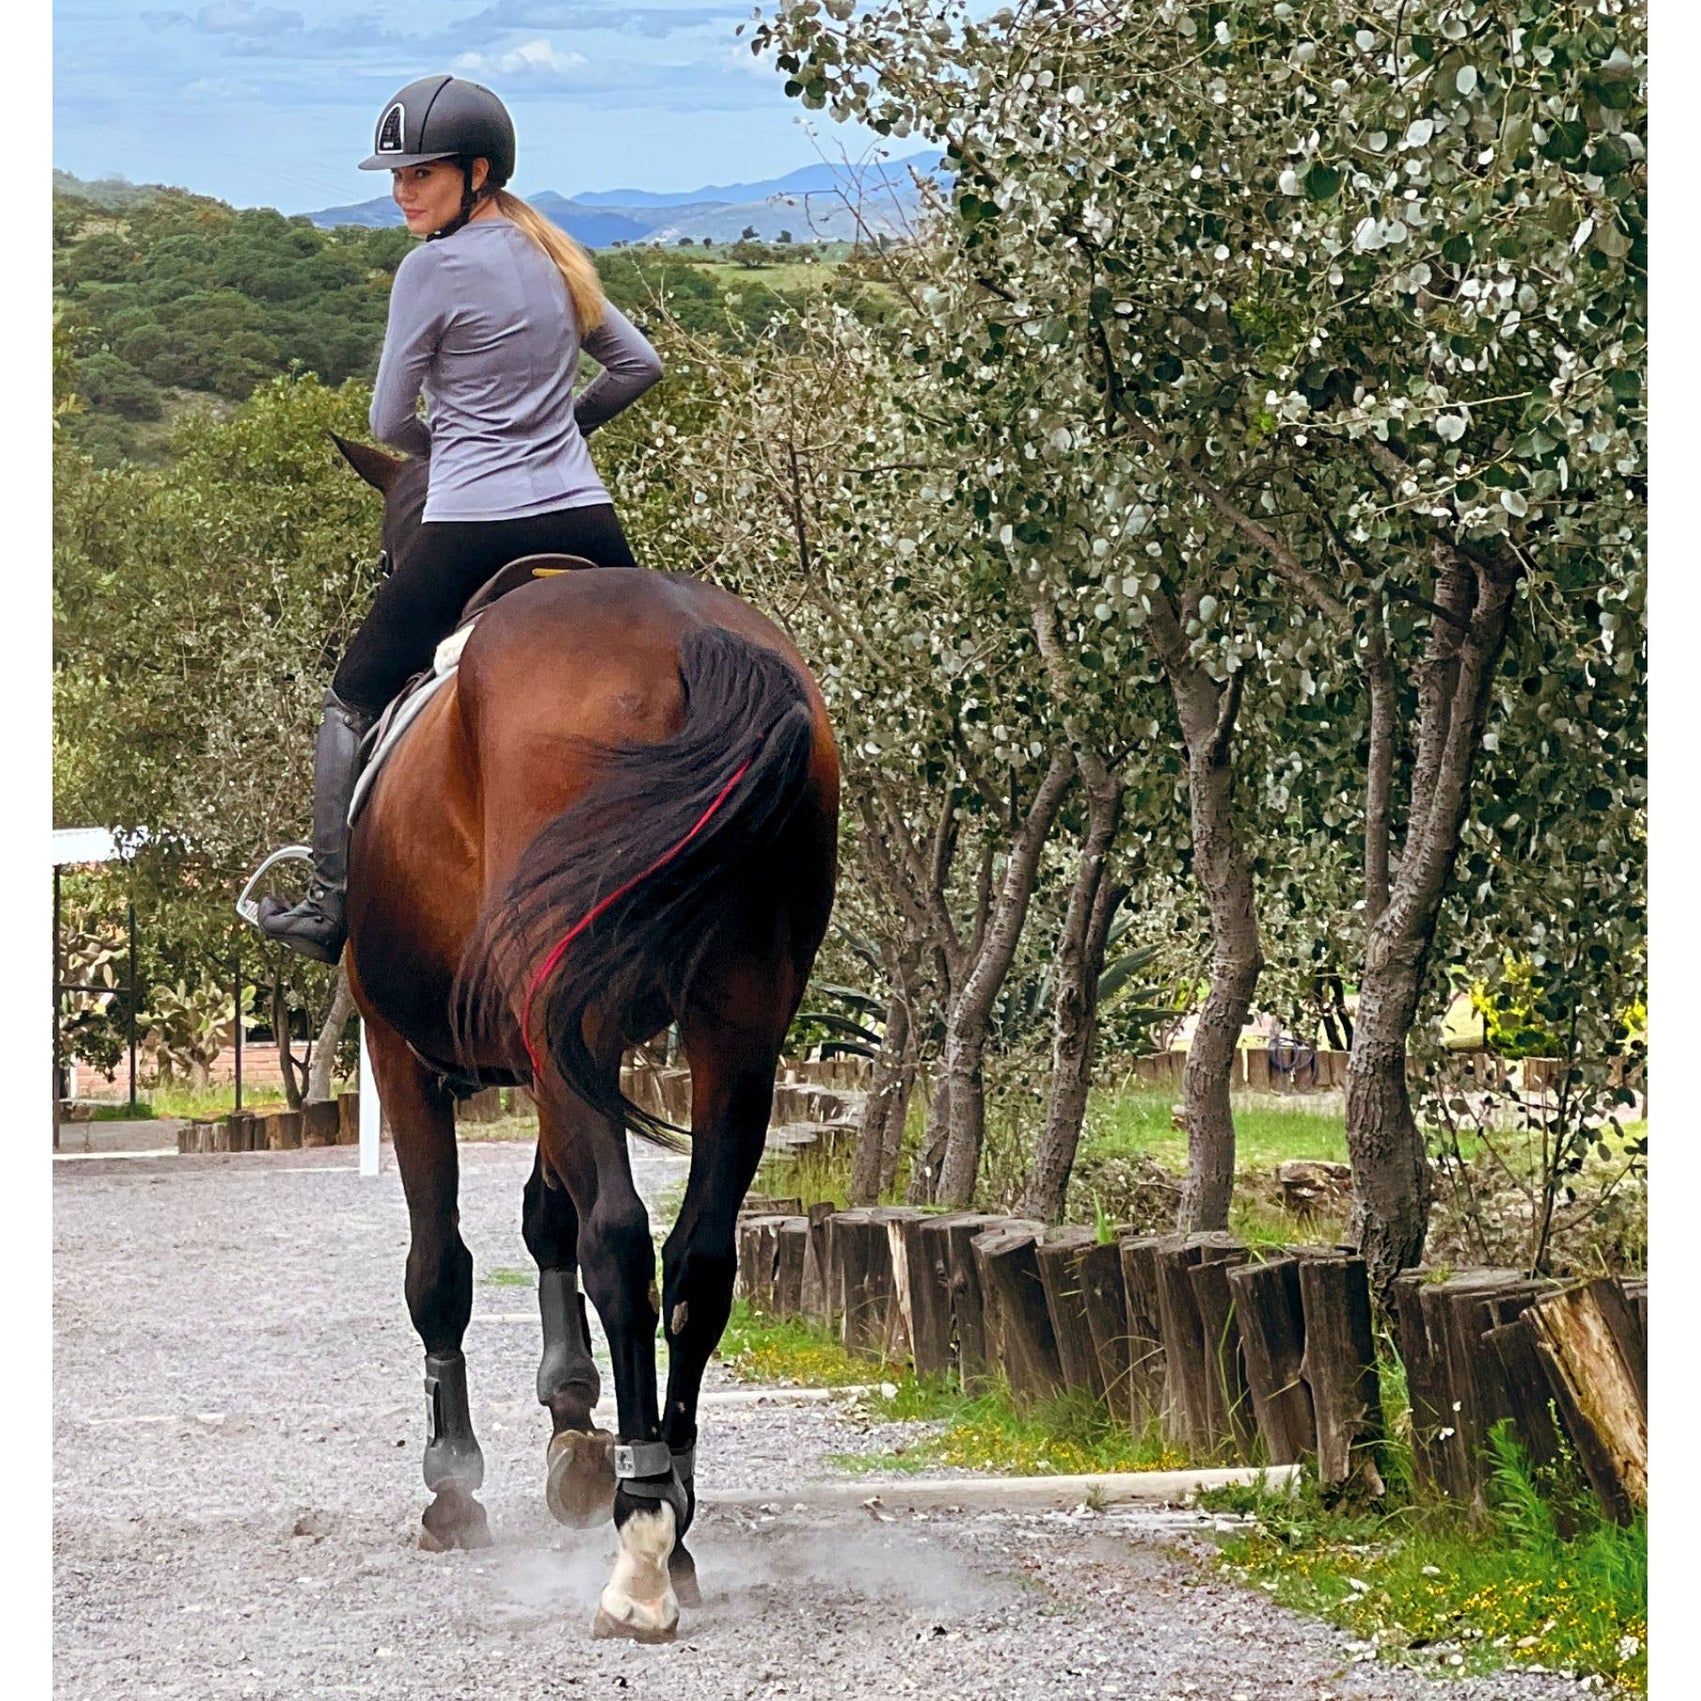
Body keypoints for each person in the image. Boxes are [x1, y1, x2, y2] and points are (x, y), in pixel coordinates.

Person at [258, 74, 663, 963]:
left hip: (471, 522)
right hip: (585, 519)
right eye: (395, 176)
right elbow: (639, 366)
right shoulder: (554, 253)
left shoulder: (429, 269)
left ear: (476, 172)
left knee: (351, 694)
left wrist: (455, 447)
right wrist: (559, 427)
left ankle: (329, 905)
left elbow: (388, 424)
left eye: (420, 174)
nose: (401, 191)